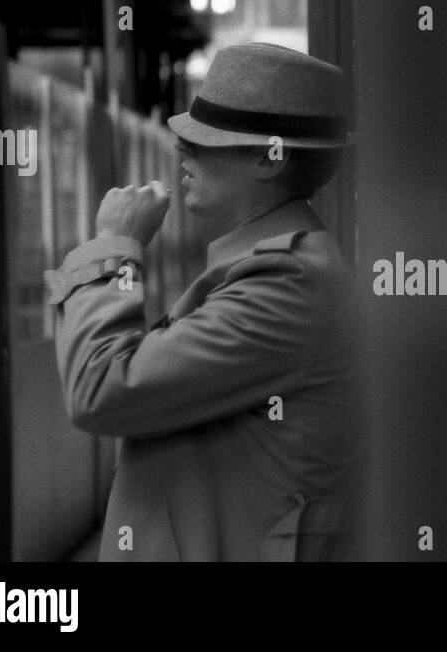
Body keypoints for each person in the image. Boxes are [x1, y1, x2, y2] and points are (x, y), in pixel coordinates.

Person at [43, 43, 357, 561]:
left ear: (267, 157)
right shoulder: (273, 270)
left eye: (208, 139)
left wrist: (113, 250)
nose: (182, 149)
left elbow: (101, 388)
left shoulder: (289, 283)